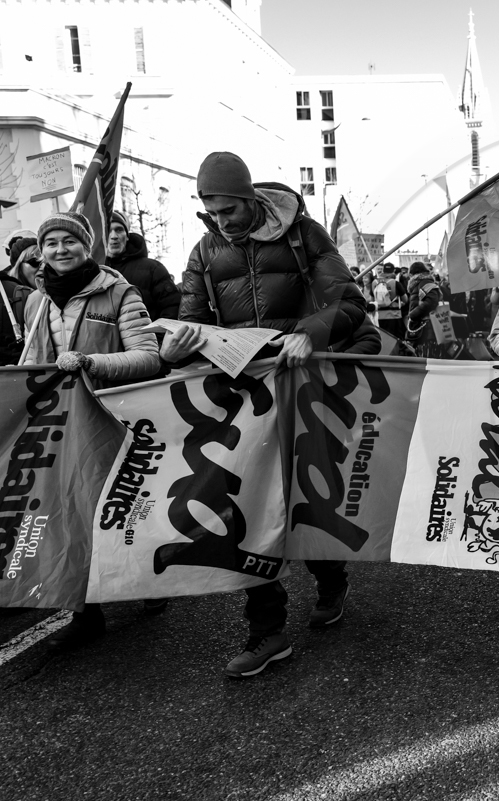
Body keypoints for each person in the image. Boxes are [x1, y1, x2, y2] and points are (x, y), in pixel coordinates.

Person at [160, 151, 370, 678]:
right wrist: (178, 347)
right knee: (245, 506)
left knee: (308, 496)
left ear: (250, 198)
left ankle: (331, 579)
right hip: (243, 400)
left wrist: (310, 333)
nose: (221, 222)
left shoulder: (304, 234)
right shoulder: (204, 251)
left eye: (229, 210)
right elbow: (193, 321)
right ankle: (267, 631)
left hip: (305, 388)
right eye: (211, 213)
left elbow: (350, 305)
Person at [20, 212, 161, 647]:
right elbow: (33, 363)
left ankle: (150, 580)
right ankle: (84, 613)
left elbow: (148, 356)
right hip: (61, 424)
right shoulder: (36, 302)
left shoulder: (119, 292)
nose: (60, 250)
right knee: (69, 510)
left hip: (113, 417)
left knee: (123, 507)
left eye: (69, 241)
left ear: (86, 246)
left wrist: (89, 363)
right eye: (51, 243)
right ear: (41, 252)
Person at [104, 210, 181, 321]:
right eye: (108, 230)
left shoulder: (153, 269)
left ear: (127, 236)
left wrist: (156, 332)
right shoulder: (94, 272)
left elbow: (172, 309)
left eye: (119, 230)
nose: (114, 236)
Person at [1, 234, 38, 365]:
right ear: (18, 265)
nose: (43, 267)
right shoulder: (6, 292)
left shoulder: (48, 296)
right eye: (35, 262)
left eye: (47, 262)